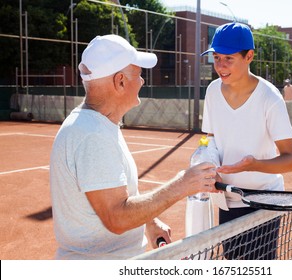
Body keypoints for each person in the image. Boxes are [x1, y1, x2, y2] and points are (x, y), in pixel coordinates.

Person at [49, 34, 217, 260]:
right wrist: (182, 184)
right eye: (138, 75)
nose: (142, 81)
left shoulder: (98, 125)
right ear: (120, 81)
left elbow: (121, 196)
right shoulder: (92, 134)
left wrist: (150, 221)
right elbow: (117, 217)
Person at [200, 22, 292, 259]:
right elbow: (209, 139)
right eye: (216, 58)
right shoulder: (213, 91)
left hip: (263, 202)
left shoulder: (269, 98)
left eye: (228, 59)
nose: (220, 66)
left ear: (249, 56)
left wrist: (253, 164)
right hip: (228, 199)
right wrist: (209, 166)